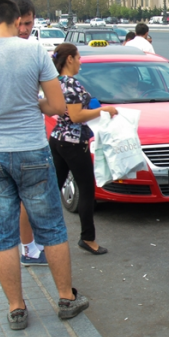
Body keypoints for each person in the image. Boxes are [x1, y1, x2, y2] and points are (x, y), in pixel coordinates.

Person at [0, 0, 89, 330]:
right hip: (31, 151)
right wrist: (32, 104)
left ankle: (16, 308)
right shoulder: (35, 53)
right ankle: (66, 299)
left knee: (1, 236)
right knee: (52, 228)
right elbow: (57, 105)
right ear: (16, 21)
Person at [49, 43, 117, 255]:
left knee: (53, 188)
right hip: (73, 142)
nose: (80, 62)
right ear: (69, 59)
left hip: (58, 137)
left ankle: (41, 231)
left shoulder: (56, 82)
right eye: (78, 58)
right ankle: (88, 238)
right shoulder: (71, 84)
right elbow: (76, 116)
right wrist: (103, 111)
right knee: (87, 189)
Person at [11, 0, 48, 267]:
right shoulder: (34, 51)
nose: (25, 29)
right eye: (21, 23)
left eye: (29, 23)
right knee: (29, 200)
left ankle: (27, 246)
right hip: (25, 140)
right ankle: (29, 249)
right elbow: (53, 102)